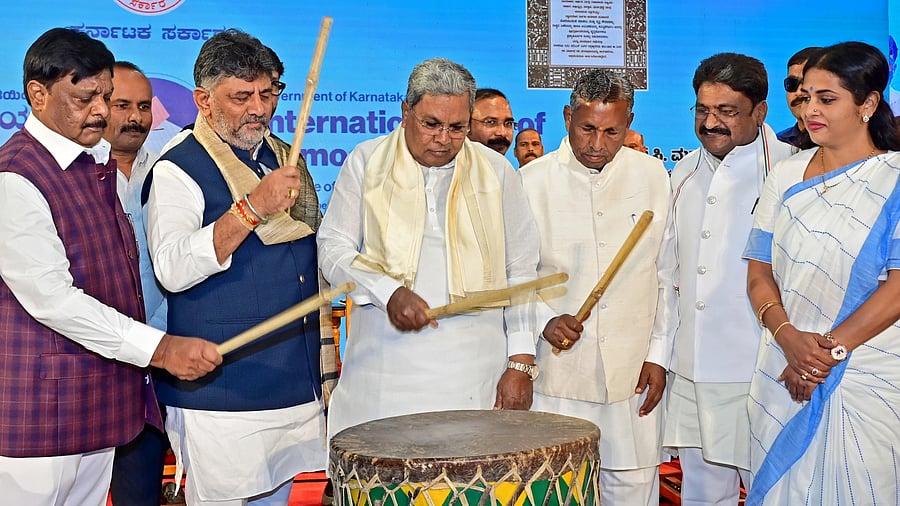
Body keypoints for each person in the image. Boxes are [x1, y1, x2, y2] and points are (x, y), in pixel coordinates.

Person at [0, 27, 220, 506]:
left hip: (94, 404)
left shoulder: (93, 162)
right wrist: (159, 349)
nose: (101, 110)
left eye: (106, 95)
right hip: (35, 415)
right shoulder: (14, 178)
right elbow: (53, 301)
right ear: (38, 95)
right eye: (85, 97)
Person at [146, 29, 330, 506]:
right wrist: (249, 209)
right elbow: (171, 267)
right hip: (223, 389)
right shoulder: (176, 168)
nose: (259, 109)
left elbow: (313, 238)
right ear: (203, 100)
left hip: (293, 376)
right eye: (242, 96)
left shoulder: (283, 157)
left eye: (268, 93)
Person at [318, 57, 540, 441]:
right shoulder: (367, 162)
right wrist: (388, 292)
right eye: (431, 124)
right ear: (406, 112)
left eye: (457, 127)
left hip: (475, 376)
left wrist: (520, 362)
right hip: (384, 377)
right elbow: (332, 248)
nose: (443, 139)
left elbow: (521, 267)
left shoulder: (497, 171)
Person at [743, 41, 900, 504]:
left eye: (826, 99)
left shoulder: (894, 177)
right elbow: (758, 272)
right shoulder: (785, 177)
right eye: (806, 96)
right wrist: (789, 338)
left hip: (867, 371)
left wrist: (825, 355)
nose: (810, 108)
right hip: (783, 362)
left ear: (868, 104)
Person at [520, 69, 676, 506]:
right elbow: (513, 276)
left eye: (612, 131)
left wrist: (658, 355)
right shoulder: (531, 182)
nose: (597, 143)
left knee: (631, 490)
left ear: (628, 123)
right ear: (567, 116)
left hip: (634, 375)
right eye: (587, 128)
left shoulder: (652, 176)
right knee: (557, 491)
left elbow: (665, 275)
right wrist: (543, 319)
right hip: (558, 376)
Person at [663, 53, 795, 506]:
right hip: (691, 364)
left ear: (760, 112)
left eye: (727, 111)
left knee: (773, 488)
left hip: (761, 367)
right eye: (703, 110)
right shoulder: (681, 173)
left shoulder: (793, 170)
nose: (711, 122)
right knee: (701, 490)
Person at [104, 61, 170, 506]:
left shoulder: (171, 172)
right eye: (122, 105)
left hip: (160, 362)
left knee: (140, 491)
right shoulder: (71, 178)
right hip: (95, 360)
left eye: (144, 106)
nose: (136, 117)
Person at [777, 47, 821, 149]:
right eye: (792, 83)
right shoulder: (777, 145)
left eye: (806, 82)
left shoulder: (849, 143)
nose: (799, 92)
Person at [467, 88, 516, 154]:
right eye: (491, 122)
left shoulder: (505, 164)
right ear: (466, 125)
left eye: (508, 124)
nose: (502, 133)